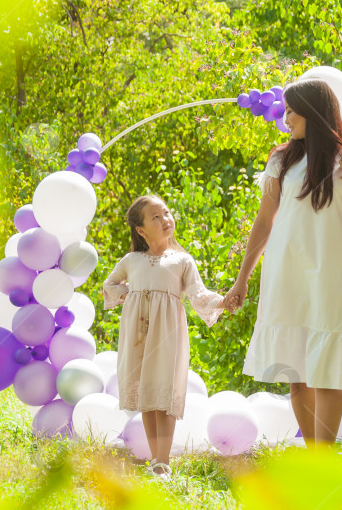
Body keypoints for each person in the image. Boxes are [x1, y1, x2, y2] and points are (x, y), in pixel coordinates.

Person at [223, 78, 342, 446]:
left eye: (293, 110)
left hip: (332, 273)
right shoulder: (281, 157)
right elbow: (265, 221)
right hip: (286, 270)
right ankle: (312, 454)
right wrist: (241, 278)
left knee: (326, 371)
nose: (286, 117)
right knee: (299, 370)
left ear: (313, 112)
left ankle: (323, 459)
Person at [102, 195, 225, 478]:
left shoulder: (182, 260)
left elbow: (198, 294)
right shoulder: (132, 260)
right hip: (137, 333)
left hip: (168, 333)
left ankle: (162, 461)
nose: (165, 219)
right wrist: (128, 294)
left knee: (165, 392)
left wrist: (222, 301)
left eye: (166, 213)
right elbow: (110, 284)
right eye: (155, 217)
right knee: (147, 394)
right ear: (141, 231)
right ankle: (156, 461)